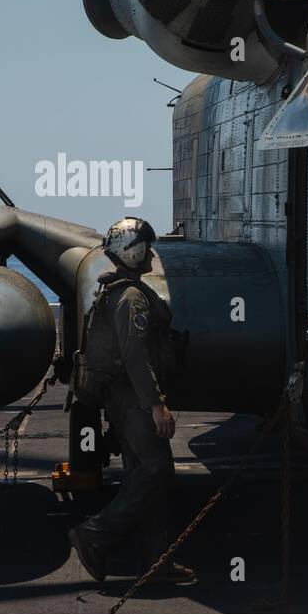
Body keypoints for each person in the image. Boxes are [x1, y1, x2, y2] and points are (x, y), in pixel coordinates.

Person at [67, 217, 194, 585]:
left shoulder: (118, 292)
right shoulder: (131, 298)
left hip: (124, 397)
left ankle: (156, 563)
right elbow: (135, 356)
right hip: (133, 399)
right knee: (157, 471)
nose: (152, 254)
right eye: (147, 247)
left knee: (146, 475)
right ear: (134, 251)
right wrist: (156, 404)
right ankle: (95, 534)